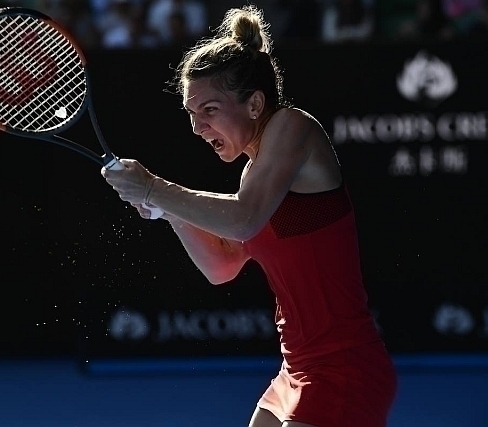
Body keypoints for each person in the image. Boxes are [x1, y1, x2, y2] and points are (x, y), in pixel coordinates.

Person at [102, 5, 397, 427]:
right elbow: (222, 265)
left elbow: (244, 218)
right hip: (295, 371)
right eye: (191, 113)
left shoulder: (292, 127)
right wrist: (167, 209)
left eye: (209, 110)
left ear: (255, 103)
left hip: (345, 369)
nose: (197, 127)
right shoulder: (254, 171)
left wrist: (155, 189)